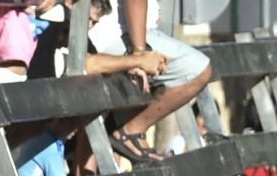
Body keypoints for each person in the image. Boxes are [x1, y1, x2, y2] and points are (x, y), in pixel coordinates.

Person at [27, 0, 213, 165]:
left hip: (106, 39)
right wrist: (140, 54)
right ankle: (131, 131)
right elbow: (89, 63)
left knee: (89, 118)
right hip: (113, 39)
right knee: (198, 69)